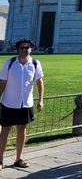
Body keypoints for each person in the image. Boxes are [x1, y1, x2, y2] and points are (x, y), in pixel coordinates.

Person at [0, 39, 44, 170]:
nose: (24, 50)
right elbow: (2, 82)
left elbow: (40, 82)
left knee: (21, 130)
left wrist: (41, 100)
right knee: (5, 131)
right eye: (22, 47)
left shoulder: (35, 63)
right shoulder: (10, 62)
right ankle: (0, 160)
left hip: (26, 104)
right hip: (9, 103)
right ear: (18, 49)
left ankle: (18, 158)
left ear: (31, 49)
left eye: (27, 47)